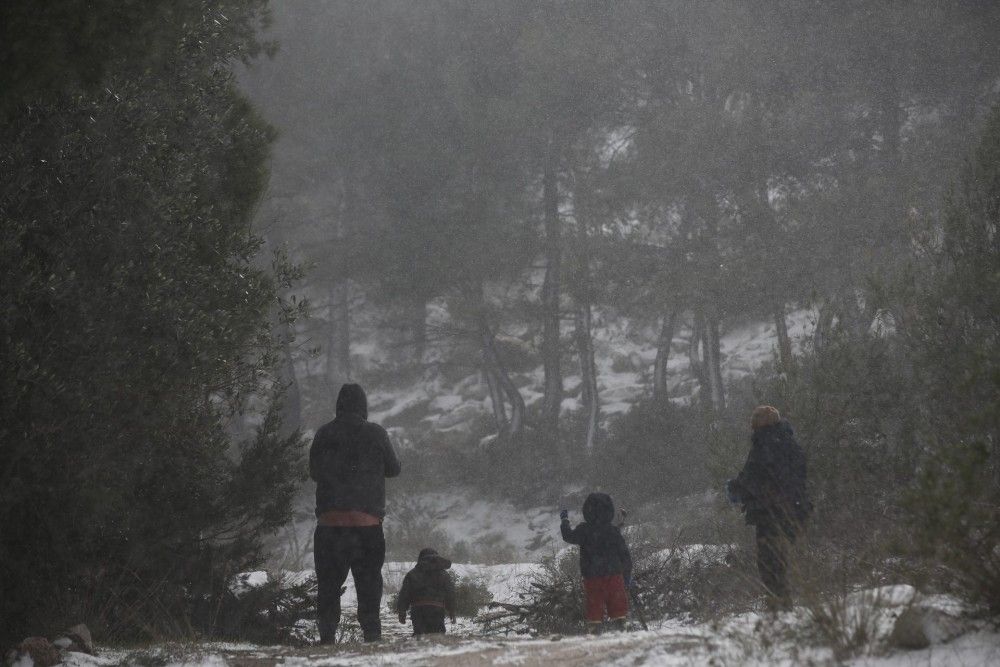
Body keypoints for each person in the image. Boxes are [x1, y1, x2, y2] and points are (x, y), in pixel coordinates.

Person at [309, 383, 401, 644]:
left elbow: (314, 472)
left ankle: (327, 636)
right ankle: (371, 634)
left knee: (328, 585)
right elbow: (394, 469)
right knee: (369, 582)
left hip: (330, 526)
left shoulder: (324, 433)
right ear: (364, 406)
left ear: (338, 405)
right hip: (367, 525)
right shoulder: (376, 433)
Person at [727, 405, 811, 610]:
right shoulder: (792, 446)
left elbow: (752, 479)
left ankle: (778, 609)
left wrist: (734, 489)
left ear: (758, 425)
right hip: (794, 512)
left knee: (769, 566)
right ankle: (783, 607)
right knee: (781, 562)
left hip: (770, 515)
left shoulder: (764, 445)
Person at [560, 492, 633, 633]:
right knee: (618, 610)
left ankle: (594, 634)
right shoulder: (613, 531)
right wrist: (627, 577)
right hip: (614, 576)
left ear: (587, 510)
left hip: (592, 577)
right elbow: (625, 556)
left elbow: (568, 536)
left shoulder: (584, 530)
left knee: (594, 610)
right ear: (609, 510)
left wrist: (564, 520)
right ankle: (622, 632)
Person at [396, 548, 458, 636]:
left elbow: (404, 594)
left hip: (418, 611)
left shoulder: (412, 574)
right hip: (437, 610)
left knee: (419, 637)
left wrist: (402, 611)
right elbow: (450, 593)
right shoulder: (444, 575)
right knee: (438, 637)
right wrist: (452, 610)